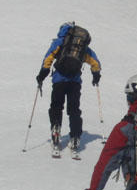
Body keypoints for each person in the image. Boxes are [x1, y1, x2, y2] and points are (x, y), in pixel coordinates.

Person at [36, 22, 101, 152]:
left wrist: (42, 75)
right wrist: (96, 74)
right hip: (75, 82)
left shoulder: (60, 42)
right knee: (74, 110)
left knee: (56, 106)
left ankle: (55, 128)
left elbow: (48, 58)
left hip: (59, 80)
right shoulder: (81, 46)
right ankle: (75, 136)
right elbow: (94, 61)